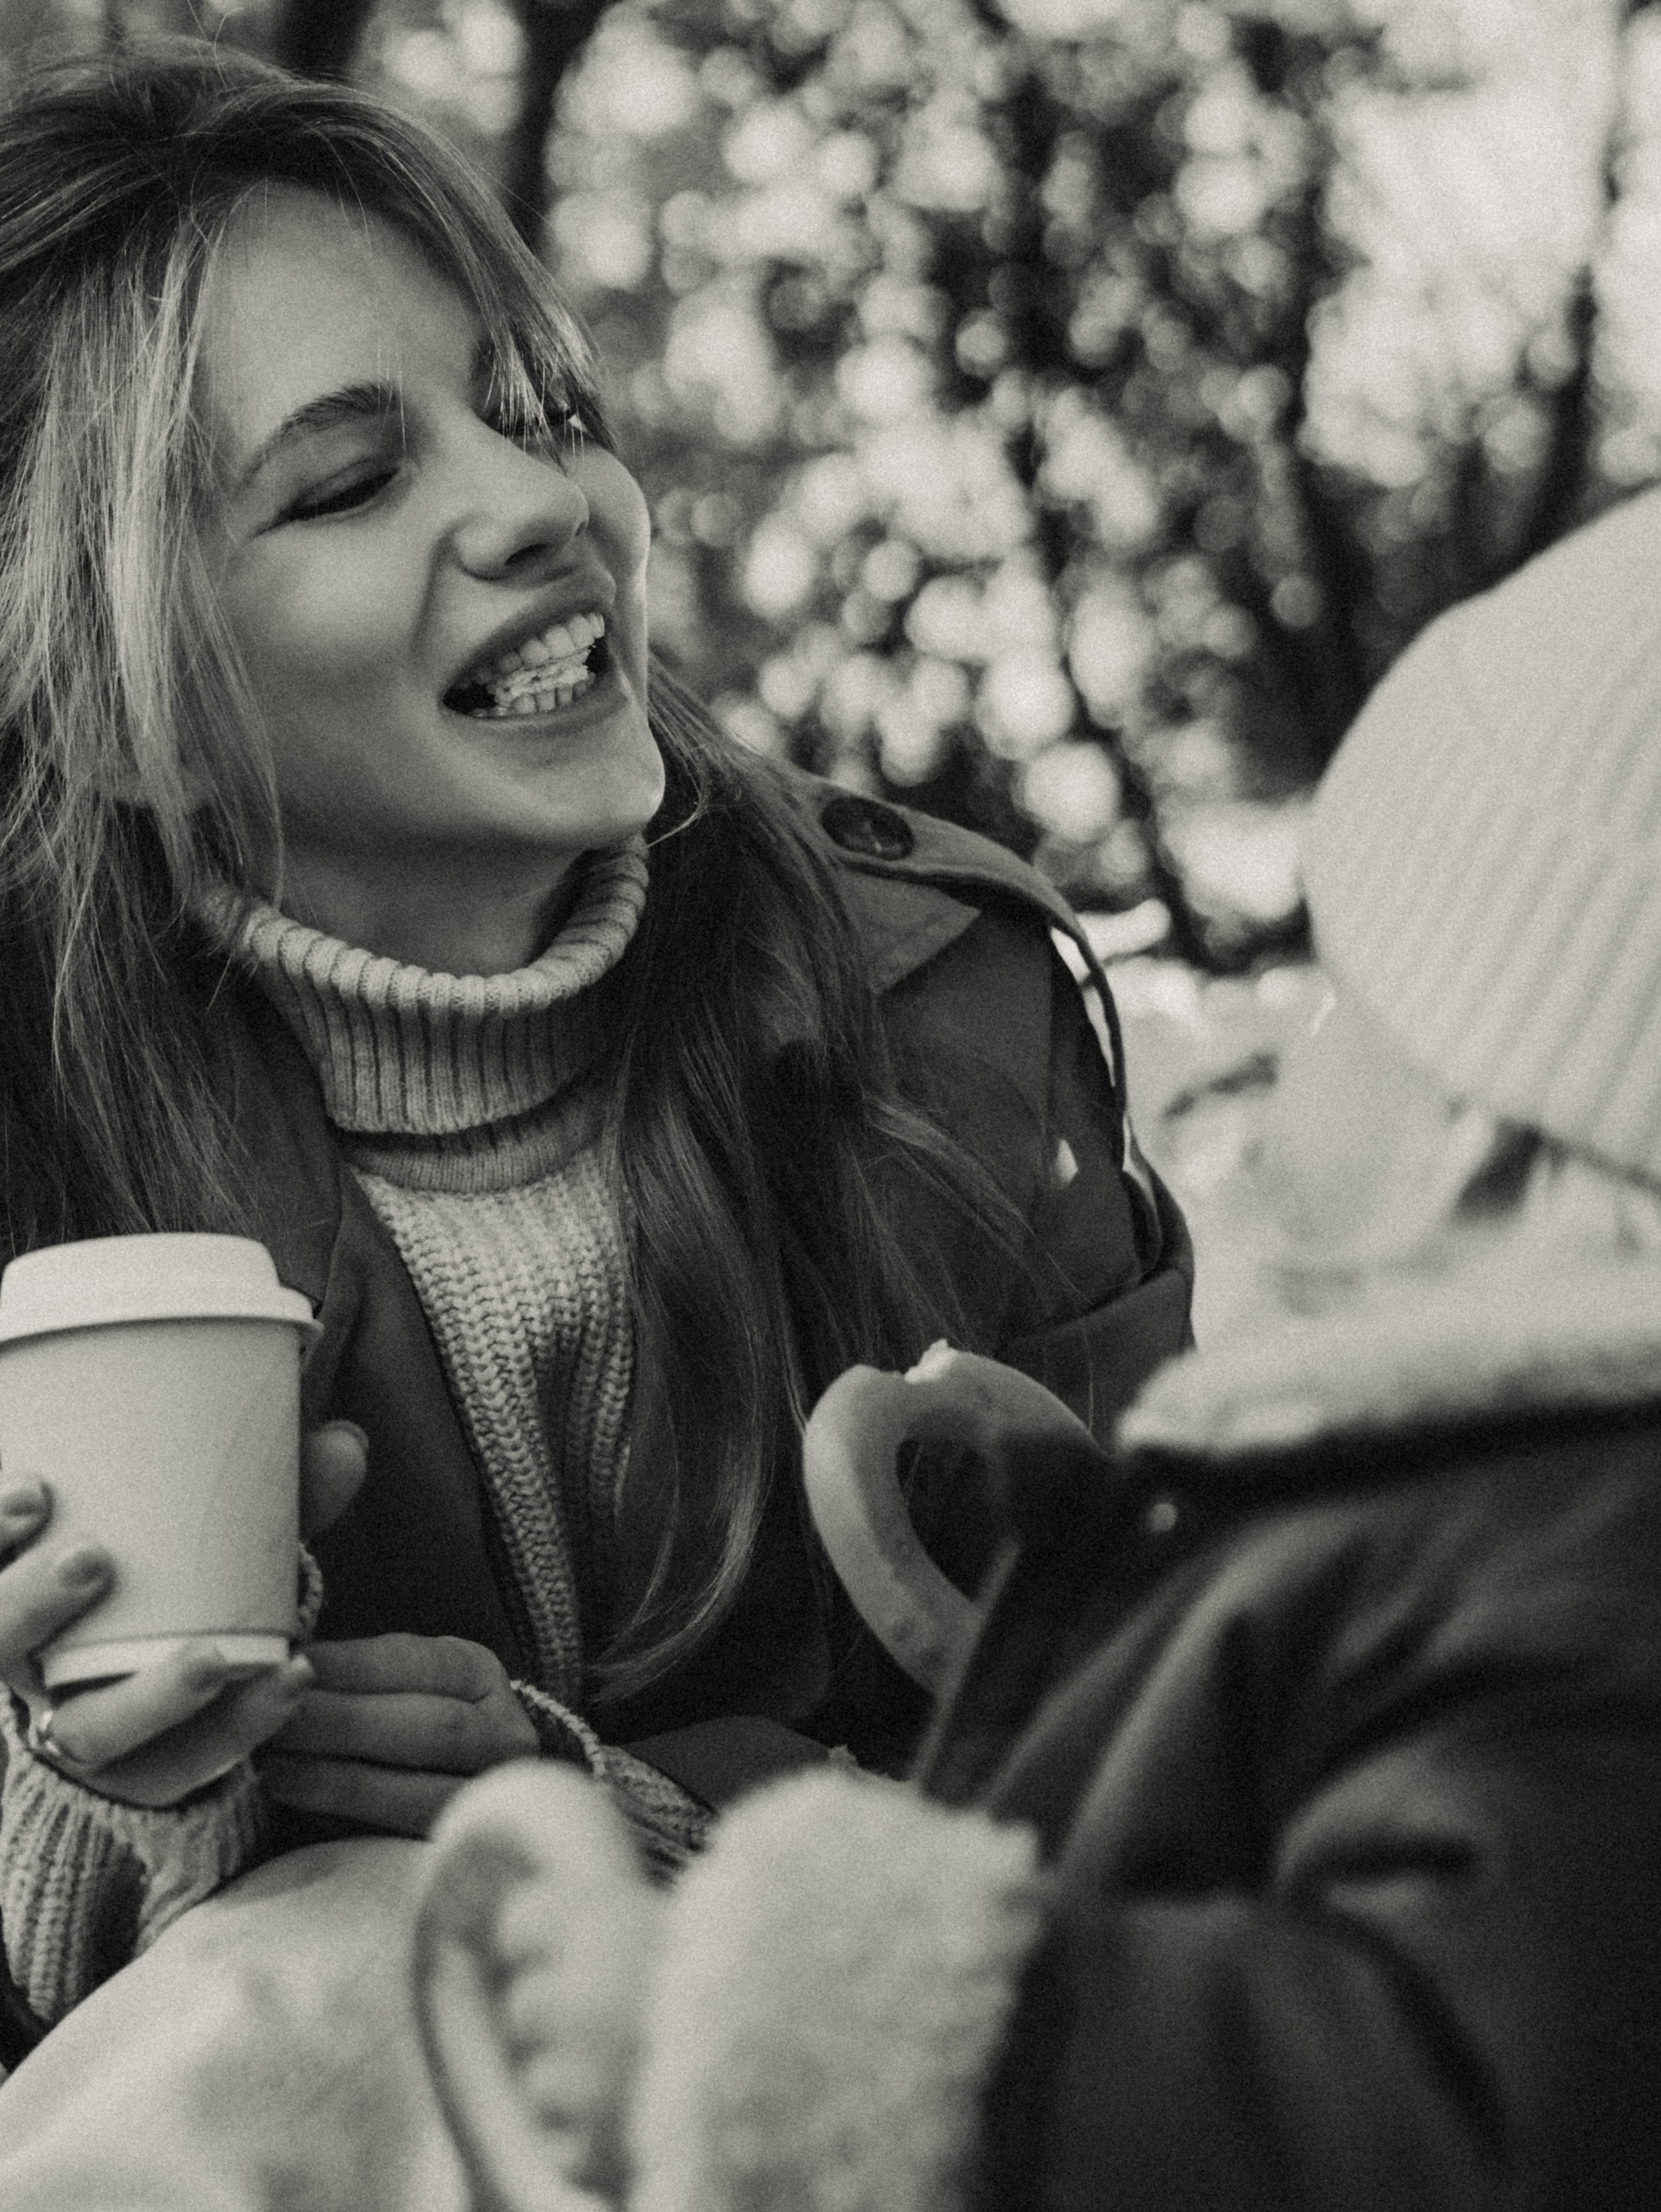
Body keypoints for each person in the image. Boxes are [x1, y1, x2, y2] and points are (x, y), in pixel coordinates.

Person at [0, 40, 1191, 2058]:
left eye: (537, 408)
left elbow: (1179, 1782)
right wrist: (84, 1812)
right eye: (356, 479)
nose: (549, 499)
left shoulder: (950, 1023)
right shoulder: (33, 1140)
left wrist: (654, 1838)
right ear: (124, 712)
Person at [409, 483, 1661, 2211]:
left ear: (1487, 1122)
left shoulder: (1565, 1598)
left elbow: (1421, 2105)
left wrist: (772, 2029)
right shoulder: (1507, 1536)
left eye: (1342, 1003)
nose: (1300, 1051)